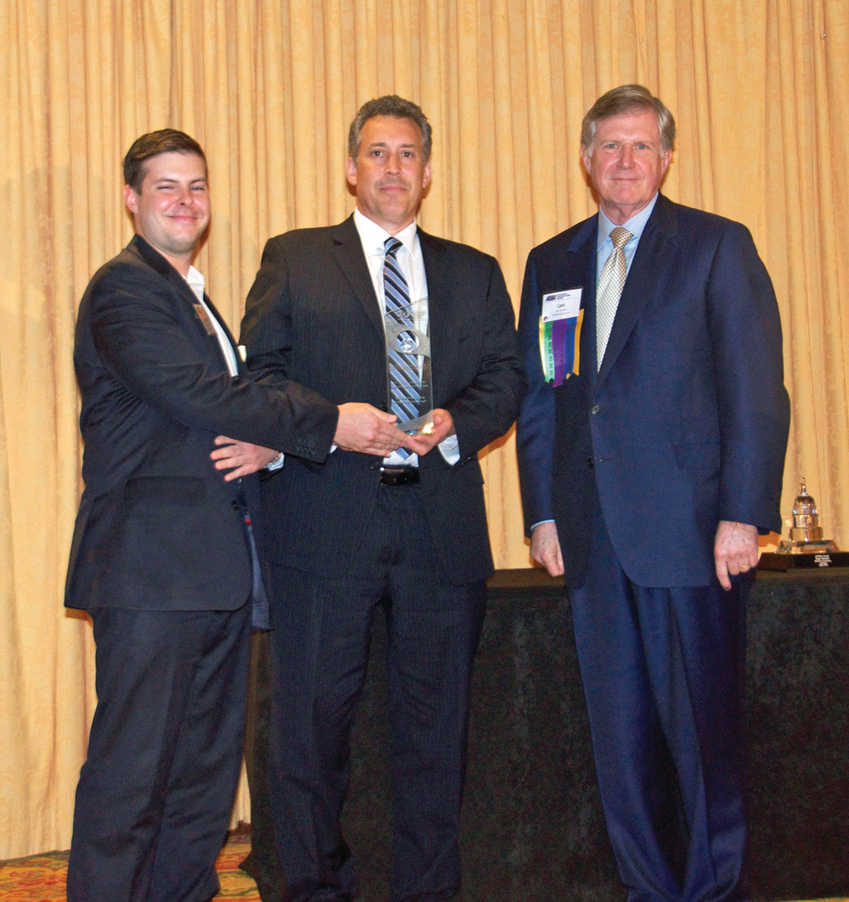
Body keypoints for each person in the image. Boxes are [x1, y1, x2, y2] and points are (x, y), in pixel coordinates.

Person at [232, 94, 524, 902]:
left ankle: (427, 891)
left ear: (427, 173)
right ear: (350, 169)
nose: (392, 168)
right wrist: (334, 425)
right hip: (323, 527)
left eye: (407, 154)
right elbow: (261, 380)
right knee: (309, 734)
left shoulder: (475, 271)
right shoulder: (294, 258)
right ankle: (315, 889)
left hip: (441, 528)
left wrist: (453, 422)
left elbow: (506, 377)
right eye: (377, 153)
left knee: (436, 735)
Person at [515, 85, 790, 902]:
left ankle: (711, 891)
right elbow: (545, 396)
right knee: (620, 744)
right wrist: (542, 510)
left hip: (692, 538)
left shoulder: (714, 246)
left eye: (641, 146)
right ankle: (647, 889)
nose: (625, 161)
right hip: (592, 542)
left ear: (668, 158)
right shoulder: (551, 261)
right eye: (609, 146)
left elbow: (756, 392)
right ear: (585, 159)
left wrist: (744, 513)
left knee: (704, 740)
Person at [65, 129, 339, 902]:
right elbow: (201, 396)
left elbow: (223, 419)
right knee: (132, 777)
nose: (185, 202)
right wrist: (325, 420)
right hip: (151, 571)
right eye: (165, 187)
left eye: (197, 186)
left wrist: (269, 448)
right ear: (131, 199)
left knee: (201, 778)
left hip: (217, 570)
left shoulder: (194, 295)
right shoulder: (124, 289)